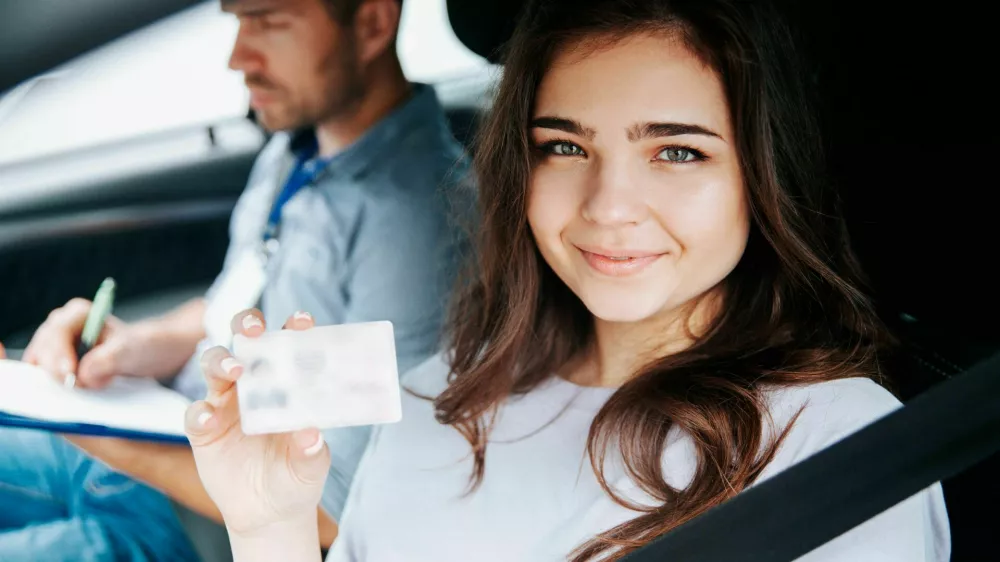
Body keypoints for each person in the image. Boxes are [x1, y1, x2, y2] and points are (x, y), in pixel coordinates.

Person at [187, 0, 951, 560]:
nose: (609, 208)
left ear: (761, 173)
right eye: (564, 148)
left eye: (677, 152)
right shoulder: (437, 396)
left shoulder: (838, 440)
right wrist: (271, 527)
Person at [0, 0, 469, 559]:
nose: (236, 57)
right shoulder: (297, 147)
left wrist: (96, 432)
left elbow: (336, 509)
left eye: (268, 21)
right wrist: (139, 345)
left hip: (191, 527)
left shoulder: (418, 229)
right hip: (149, 444)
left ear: (372, 23)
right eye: (238, 21)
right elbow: (236, 299)